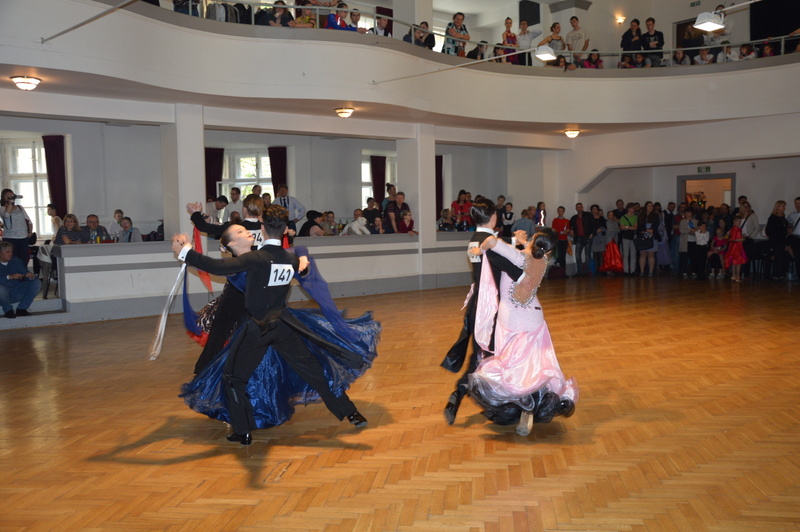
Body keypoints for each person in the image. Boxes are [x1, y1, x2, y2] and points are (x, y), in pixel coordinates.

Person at [172, 205, 369, 445]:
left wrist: (185, 251)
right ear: (285, 229)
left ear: (262, 229)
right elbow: (300, 266)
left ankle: (242, 431)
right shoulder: (290, 259)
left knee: (233, 378)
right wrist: (302, 262)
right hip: (284, 326)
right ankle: (351, 412)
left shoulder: (256, 259)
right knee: (315, 371)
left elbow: (218, 267)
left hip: (258, 328)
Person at [468, 229, 578, 436]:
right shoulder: (542, 260)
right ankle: (527, 411)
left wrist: (479, 249)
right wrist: (523, 241)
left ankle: (524, 411)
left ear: (535, 242)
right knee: (533, 370)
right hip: (534, 319)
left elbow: (490, 241)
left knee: (513, 370)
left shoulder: (519, 258)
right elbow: (534, 250)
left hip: (512, 321)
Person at [441, 199, 525, 425]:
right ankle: (477, 397)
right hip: (490, 308)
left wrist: (515, 241)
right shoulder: (491, 246)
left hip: (476, 304)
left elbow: (498, 245)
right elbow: (517, 271)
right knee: (489, 356)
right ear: (493, 216)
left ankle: (466, 394)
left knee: (482, 355)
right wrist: (530, 254)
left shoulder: (474, 240)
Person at [0, 241, 41, 319]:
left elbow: (25, 272)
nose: (10, 254)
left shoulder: (16, 261)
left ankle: (22, 308)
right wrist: (9, 277)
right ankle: (8, 310)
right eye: (7, 252)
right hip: (2, 294)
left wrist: (30, 276)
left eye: (11, 252)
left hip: (16, 291)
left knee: (36, 283)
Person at [1, 189, 33, 264]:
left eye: (11, 194)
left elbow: (29, 221)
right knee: (11, 260)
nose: (9, 195)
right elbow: (7, 215)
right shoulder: (2, 208)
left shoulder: (20, 207)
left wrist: (30, 232)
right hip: (10, 238)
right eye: (7, 194)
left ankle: (23, 271)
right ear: (3, 197)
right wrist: (11, 202)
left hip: (23, 237)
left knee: (24, 259)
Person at [765, 200, 789, 280]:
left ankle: (781, 273)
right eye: (783, 206)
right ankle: (776, 274)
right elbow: (768, 230)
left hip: (782, 240)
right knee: (778, 257)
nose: (784, 208)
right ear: (778, 207)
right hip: (775, 241)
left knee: (782, 257)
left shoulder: (783, 217)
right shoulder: (773, 217)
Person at [569, 203, 592, 275]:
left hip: (587, 237)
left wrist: (592, 233)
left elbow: (593, 225)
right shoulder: (574, 218)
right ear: (576, 208)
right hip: (579, 237)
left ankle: (588, 271)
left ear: (582, 207)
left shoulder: (588, 215)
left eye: (580, 207)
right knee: (577, 255)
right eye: (578, 207)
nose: (579, 208)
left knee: (587, 255)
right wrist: (571, 231)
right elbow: (570, 226)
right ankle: (579, 272)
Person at [725, 212, 748, 282]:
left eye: (740, 221)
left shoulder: (735, 229)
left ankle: (734, 275)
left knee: (734, 262)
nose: (739, 223)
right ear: (734, 221)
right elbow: (733, 239)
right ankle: (737, 276)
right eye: (738, 221)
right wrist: (742, 239)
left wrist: (741, 237)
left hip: (735, 247)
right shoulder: (735, 229)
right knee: (738, 262)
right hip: (736, 247)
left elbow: (730, 237)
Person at [637, 201, 658, 277]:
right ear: (646, 207)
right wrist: (645, 230)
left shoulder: (656, 215)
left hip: (652, 236)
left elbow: (656, 225)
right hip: (643, 236)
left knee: (651, 254)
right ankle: (642, 271)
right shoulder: (641, 216)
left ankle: (651, 271)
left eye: (652, 206)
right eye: (649, 206)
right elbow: (639, 226)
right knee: (642, 254)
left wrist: (652, 230)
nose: (650, 207)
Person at [620, 203, 638, 275]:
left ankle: (632, 270)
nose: (633, 209)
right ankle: (626, 270)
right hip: (626, 237)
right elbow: (622, 227)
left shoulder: (635, 217)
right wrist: (630, 227)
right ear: (628, 208)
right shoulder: (623, 217)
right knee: (626, 254)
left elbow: (635, 227)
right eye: (632, 208)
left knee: (633, 254)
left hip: (633, 236)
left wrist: (627, 227)